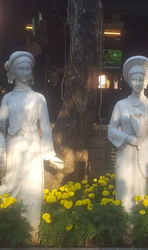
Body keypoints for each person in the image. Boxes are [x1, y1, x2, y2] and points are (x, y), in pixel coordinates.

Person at [0, 51, 63, 242]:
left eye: (28, 68)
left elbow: (45, 127)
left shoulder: (39, 98)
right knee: (12, 185)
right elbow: (1, 125)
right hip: (13, 147)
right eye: (21, 68)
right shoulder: (7, 98)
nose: (26, 71)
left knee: (33, 188)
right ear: (13, 71)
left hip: (33, 148)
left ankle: (32, 232)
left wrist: (49, 154)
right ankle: (12, 230)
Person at [108, 56, 148, 212]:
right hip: (126, 149)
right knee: (124, 185)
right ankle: (124, 223)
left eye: (141, 79)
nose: (138, 83)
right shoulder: (121, 104)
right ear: (129, 82)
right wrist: (128, 138)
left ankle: (139, 223)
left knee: (142, 188)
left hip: (144, 149)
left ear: (146, 81)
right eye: (135, 80)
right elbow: (111, 129)